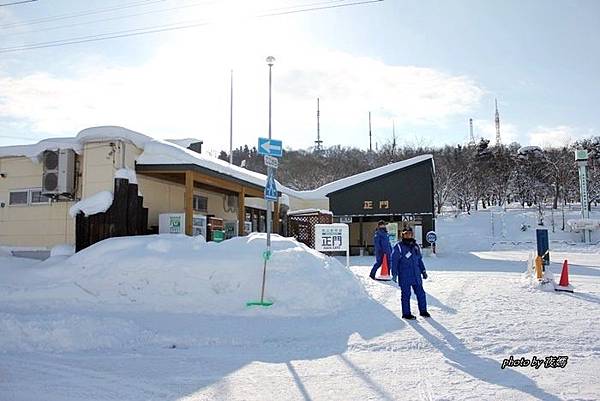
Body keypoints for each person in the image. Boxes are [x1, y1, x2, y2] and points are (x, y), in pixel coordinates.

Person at [391, 227, 430, 319]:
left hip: (416, 275)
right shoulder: (399, 247)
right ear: (402, 235)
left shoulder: (415, 246)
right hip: (405, 275)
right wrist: (394, 273)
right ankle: (406, 313)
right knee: (406, 294)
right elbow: (394, 261)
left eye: (410, 233)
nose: (408, 235)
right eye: (406, 234)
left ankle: (423, 311)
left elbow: (419, 260)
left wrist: (423, 271)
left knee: (421, 293)